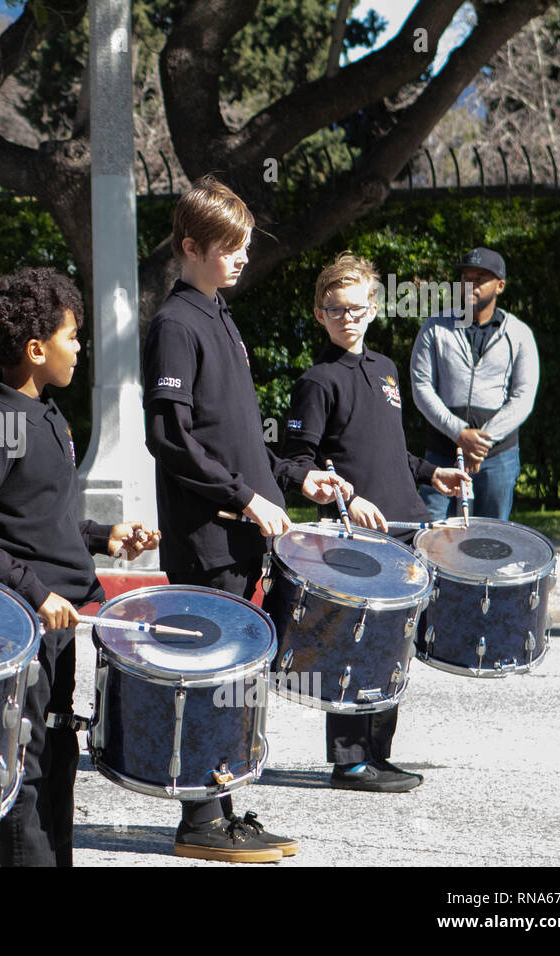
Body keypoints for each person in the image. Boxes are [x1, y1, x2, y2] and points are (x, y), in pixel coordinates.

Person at [141, 175, 352, 862]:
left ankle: (223, 803)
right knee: (209, 673)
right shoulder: (176, 324)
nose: (241, 260)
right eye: (229, 248)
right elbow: (171, 439)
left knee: (235, 675)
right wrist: (242, 495)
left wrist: (291, 477)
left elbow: (233, 434)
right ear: (190, 245)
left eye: (246, 247)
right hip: (208, 537)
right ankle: (200, 819)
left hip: (240, 529)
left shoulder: (219, 316)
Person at [0, 267, 160, 867]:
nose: (80, 347)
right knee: (24, 768)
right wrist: (34, 594)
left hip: (60, 628)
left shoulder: (49, 418)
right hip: (25, 630)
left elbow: (39, 523)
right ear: (37, 351)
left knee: (60, 759)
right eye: (71, 336)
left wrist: (105, 535)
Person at [281, 252, 470, 792]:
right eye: (336, 310)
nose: (348, 319)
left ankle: (379, 753)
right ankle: (350, 761)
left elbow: (393, 454)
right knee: (355, 644)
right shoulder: (317, 381)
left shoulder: (386, 370)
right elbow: (297, 462)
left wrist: (435, 475)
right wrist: (347, 494)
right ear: (320, 314)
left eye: (358, 309)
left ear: (374, 308)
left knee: (393, 645)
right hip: (355, 536)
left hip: (408, 527)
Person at [410, 248, 539, 520]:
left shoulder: (518, 333)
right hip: (441, 453)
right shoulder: (434, 327)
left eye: (481, 278)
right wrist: (459, 433)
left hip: (496, 457)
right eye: (466, 277)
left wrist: (482, 442)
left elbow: (524, 396)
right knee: (431, 535)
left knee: (490, 540)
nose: (471, 284)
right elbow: (421, 386)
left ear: (500, 285)